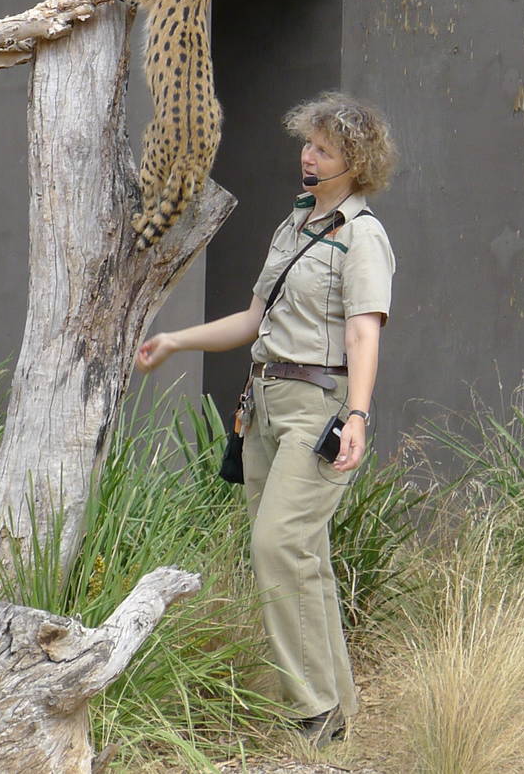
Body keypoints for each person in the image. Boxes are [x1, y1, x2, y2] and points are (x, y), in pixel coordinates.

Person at [134, 90, 397, 747]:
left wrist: (358, 414)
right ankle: (337, 713)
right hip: (265, 405)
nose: (308, 156)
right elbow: (255, 320)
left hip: (321, 407)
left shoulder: (363, 238)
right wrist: (175, 341)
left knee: (278, 544)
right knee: (301, 556)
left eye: (324, 149)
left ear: (355, 163)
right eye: (307, 143)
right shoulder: (295, 226)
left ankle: (310, 711)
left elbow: (365, 335)